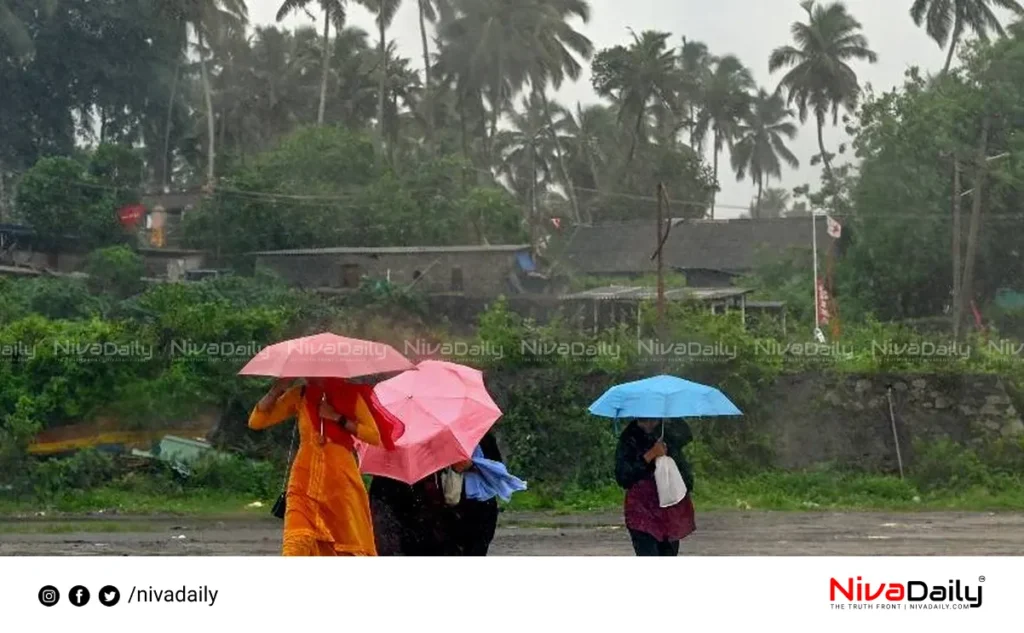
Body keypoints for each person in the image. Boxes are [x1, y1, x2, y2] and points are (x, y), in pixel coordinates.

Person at [249, 377, 385, 556]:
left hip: (340, 484)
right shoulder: (301, 394)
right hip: (303, 480)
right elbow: (256, 421)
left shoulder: (351, 395)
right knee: (296, 541)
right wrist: (277, 390)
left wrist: (336, 417)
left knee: (344, 546)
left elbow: (373, 435)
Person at [614, 418, 696, 556]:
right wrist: (650, 455)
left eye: (653, 420)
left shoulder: (668, 432)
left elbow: (685, 436)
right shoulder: (629, 438)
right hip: (641, 511)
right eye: (644, 420)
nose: (649, 424)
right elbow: (623, 476)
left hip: (669, 510)